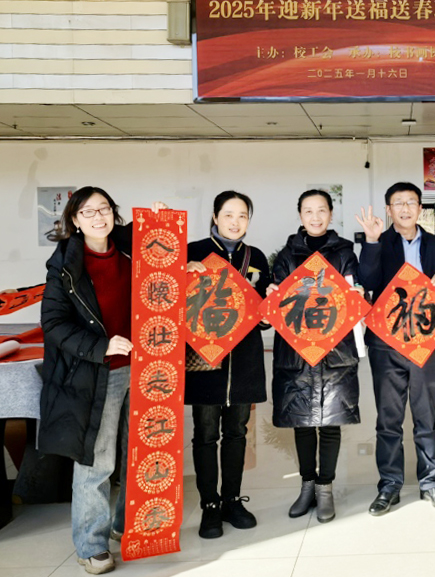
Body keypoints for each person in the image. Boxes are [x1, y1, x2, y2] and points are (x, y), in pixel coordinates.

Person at [39, 188, 165, 575]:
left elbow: (165, 270)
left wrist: (160, 222)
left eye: (104, 209)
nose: (98, 217)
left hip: (146, 369)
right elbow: (53, 324)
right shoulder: (64, 266)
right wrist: (101, 346)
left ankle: (127, 527)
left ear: (114, 213)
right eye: (88, 212)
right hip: (100, 373)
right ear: (75, 221)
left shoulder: (131, 249)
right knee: (98, 461)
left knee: (140, 455)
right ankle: (91, 545)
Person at [356, 182, 435, 515]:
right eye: (398, 203)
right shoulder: (379, 241)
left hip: (427, 343)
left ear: (420, 208)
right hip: (386, 344)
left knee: (427, 417)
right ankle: (389, 485)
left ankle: (431, 483)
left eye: (411, 202)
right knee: (389, 420)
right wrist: (371, 241)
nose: (404, 208)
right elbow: (368, 282)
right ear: (389, 210)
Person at [269, 189, 363, 524]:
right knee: (302, 423)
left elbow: (354, 293)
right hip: (297, 352)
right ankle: (307, 485)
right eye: (308, 211)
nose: (315, 217)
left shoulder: (345, 253)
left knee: (331, 422)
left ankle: (325, 489)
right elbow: (278, 301)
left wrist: (358, 293)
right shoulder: (286, 256)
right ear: (300, 216)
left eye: (321, 210)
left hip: (335, 352)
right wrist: (272, 293)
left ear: (330, 214)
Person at [185, 191, 270, 539]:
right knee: (205, 433)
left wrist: (269, 313)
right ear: (215, 216)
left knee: (237, 431)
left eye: (242, 216)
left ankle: (232, 500)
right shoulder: (193, 252)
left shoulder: (256, 257)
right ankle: (209, 505)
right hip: (204, 358)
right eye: (229, 214)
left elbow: (263, 309)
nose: (235, 222)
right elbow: (166, 295)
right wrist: (182, 272)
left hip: (244, 359)